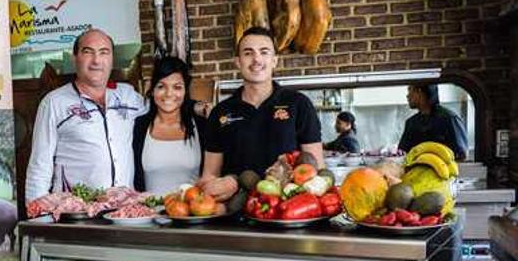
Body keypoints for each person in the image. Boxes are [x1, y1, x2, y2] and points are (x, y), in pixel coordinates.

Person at [199, 26, 323, 201]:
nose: (256, 59)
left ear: (274, 61)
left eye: (264, 52)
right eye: (248, 53)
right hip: (235, 213)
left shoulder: (299, 104)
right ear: (238, 61)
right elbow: (210, 175)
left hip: (286, 211)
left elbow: (315, 171)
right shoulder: (220, 112)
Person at [25, 29, 146, 201]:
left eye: (104, 52)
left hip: (123, 212)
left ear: (112, 59)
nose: (96, 60)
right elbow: (39, 166)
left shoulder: (129, 96)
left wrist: (196, 107)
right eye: (88, 52)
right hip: (76, 213)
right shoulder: (54, 102)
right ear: (75, 58)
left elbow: (165, 110)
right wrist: (38, 219)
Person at [132, 56, 208, 194]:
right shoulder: (138, 126)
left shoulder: (202, 126)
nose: (169, 94)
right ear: (152, 89)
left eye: (177, 87)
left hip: (192, 212)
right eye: (161, 86)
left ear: (185, 90)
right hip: (149, 213)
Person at [398, 84, 468, 160]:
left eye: (410, 90)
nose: (407, 96)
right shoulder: (411, 123)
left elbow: (461, 155)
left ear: (420, 92)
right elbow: (402, 153)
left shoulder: (449, 119)